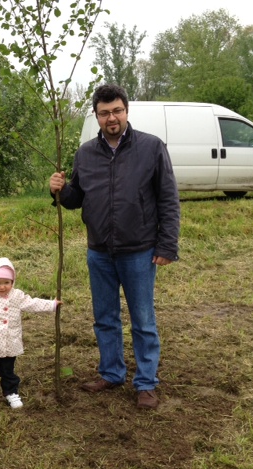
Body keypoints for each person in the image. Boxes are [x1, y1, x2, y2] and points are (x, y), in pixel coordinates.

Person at [49, 84, 180, 410]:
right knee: (105, 318)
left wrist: (167, 244)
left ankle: (146, 383)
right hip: (99, 252)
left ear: (126, 111)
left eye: (117, 111)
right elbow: (77, 198)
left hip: (139, 251)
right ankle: (111, 373)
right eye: (104, 113)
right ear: (96, 116)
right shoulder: (85, 154)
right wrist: (60, 190)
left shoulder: (151, 147)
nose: (112, 118)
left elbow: (168, 198)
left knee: (143, 321)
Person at [0, 257, 61, 409]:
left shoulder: (17, 296)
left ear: (12, 281)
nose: (2, 287)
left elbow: (32, 303)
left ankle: (10, 392)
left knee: (7, 370)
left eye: (6, 282)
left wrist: (51, 305)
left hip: (8, 341)